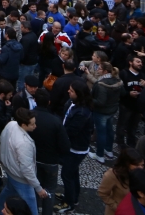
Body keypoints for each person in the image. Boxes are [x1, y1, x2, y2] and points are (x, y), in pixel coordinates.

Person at [27, 89, 68, 215]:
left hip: (33, 159)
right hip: (50, 161)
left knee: (34, 187)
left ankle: (33, 210)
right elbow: (65, 146)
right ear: (49, 102)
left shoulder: (28, 117)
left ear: (35, 100)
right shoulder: (55, 121)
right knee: (49, 190)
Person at [0, 109, 47, 215]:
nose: (35, 126)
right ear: (24, 125)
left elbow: (2, 139)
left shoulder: (11, 124)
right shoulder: (24, 143)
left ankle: (0, 210)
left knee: (9, 191)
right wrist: (38, 188)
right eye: (32, 124)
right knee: (31, 206)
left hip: (10, 169)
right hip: (21, 177)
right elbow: (27, 169)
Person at [56, 82, 94, 214]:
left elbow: (71, 131)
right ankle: (73, 196)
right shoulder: (74, 104)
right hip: (73, 146)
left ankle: (69, 203)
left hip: (76, 148)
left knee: (67, 175)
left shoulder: (82, 112)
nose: (68, 91)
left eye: (71, 90)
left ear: (79, 94)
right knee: (73, 173)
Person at [90, 62, 123, 162]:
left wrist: (89, 99)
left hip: (101, 112)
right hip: (112, 110)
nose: (97, 70)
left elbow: (100, 102)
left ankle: (99, 155)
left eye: (100, 68)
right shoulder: (118, 81)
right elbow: (123, 93)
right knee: (109, 130)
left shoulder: (101, 84)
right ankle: (109, 150)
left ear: (105, 71)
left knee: (101, 133)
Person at [99, 148, 145, 215]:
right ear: (127, 164)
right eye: (136, 165)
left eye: (142, 165)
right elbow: (102, 193)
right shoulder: (112, 175)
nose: (140, 168)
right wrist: (117, 207)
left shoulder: (143, 174)